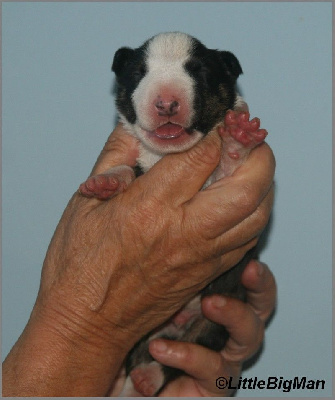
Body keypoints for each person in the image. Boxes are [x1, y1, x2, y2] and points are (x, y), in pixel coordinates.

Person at [2, 123, 276, 397]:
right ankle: (158, 369)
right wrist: (88, 328)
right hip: (154, 342)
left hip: (203, 307)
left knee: (217, 317)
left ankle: (161, 369)